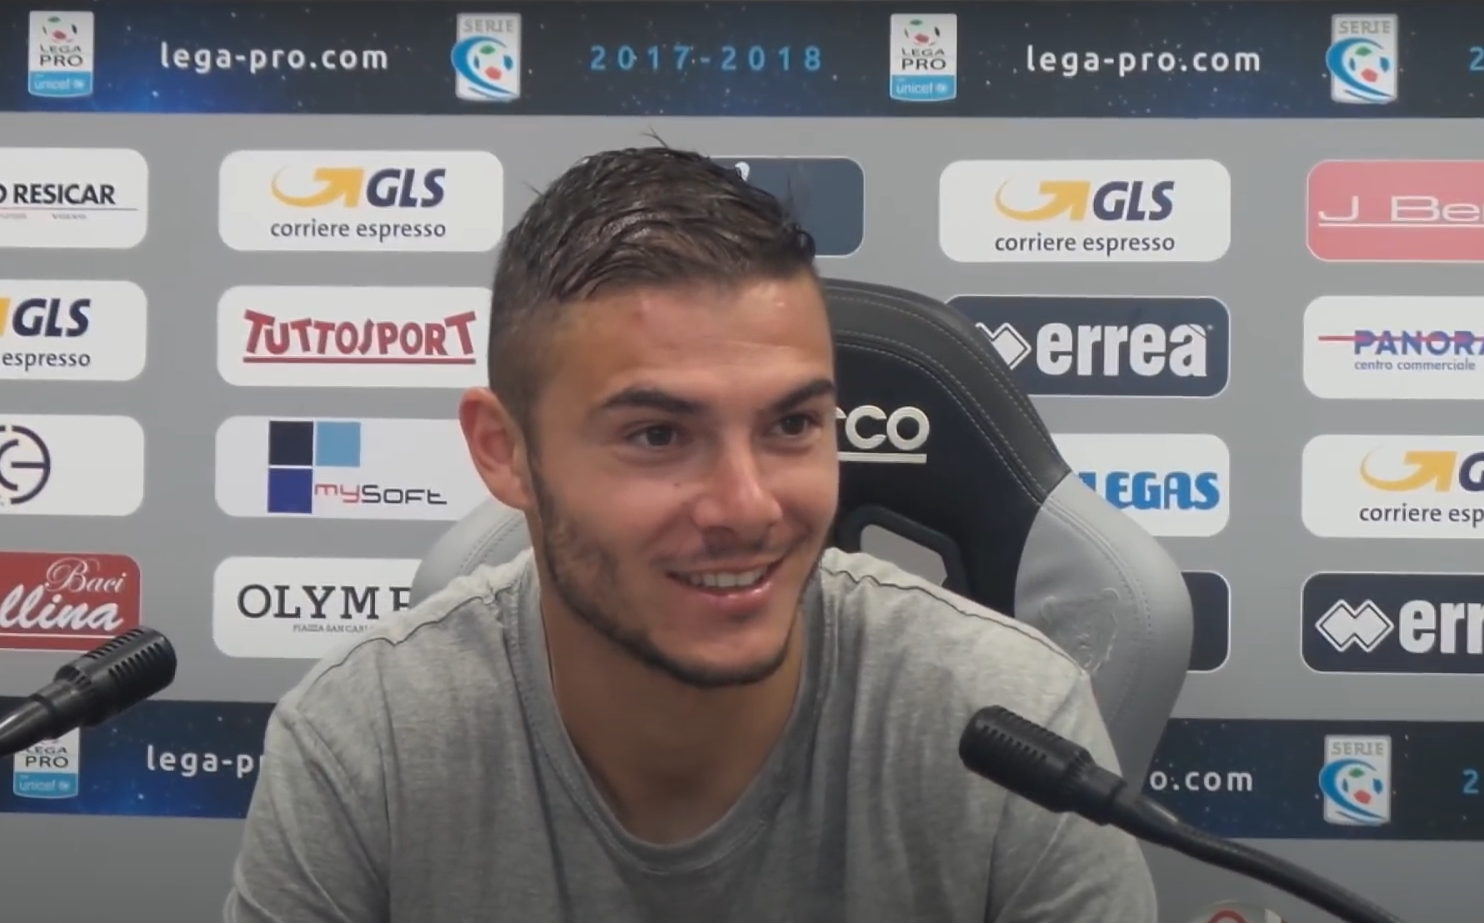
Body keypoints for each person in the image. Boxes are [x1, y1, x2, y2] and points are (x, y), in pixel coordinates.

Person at [222, 145, 1159, 923]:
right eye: (658, 435)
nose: (748, 506)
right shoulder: (366, 743)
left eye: (792, 424)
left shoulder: (1010, 719)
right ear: (505, 453)